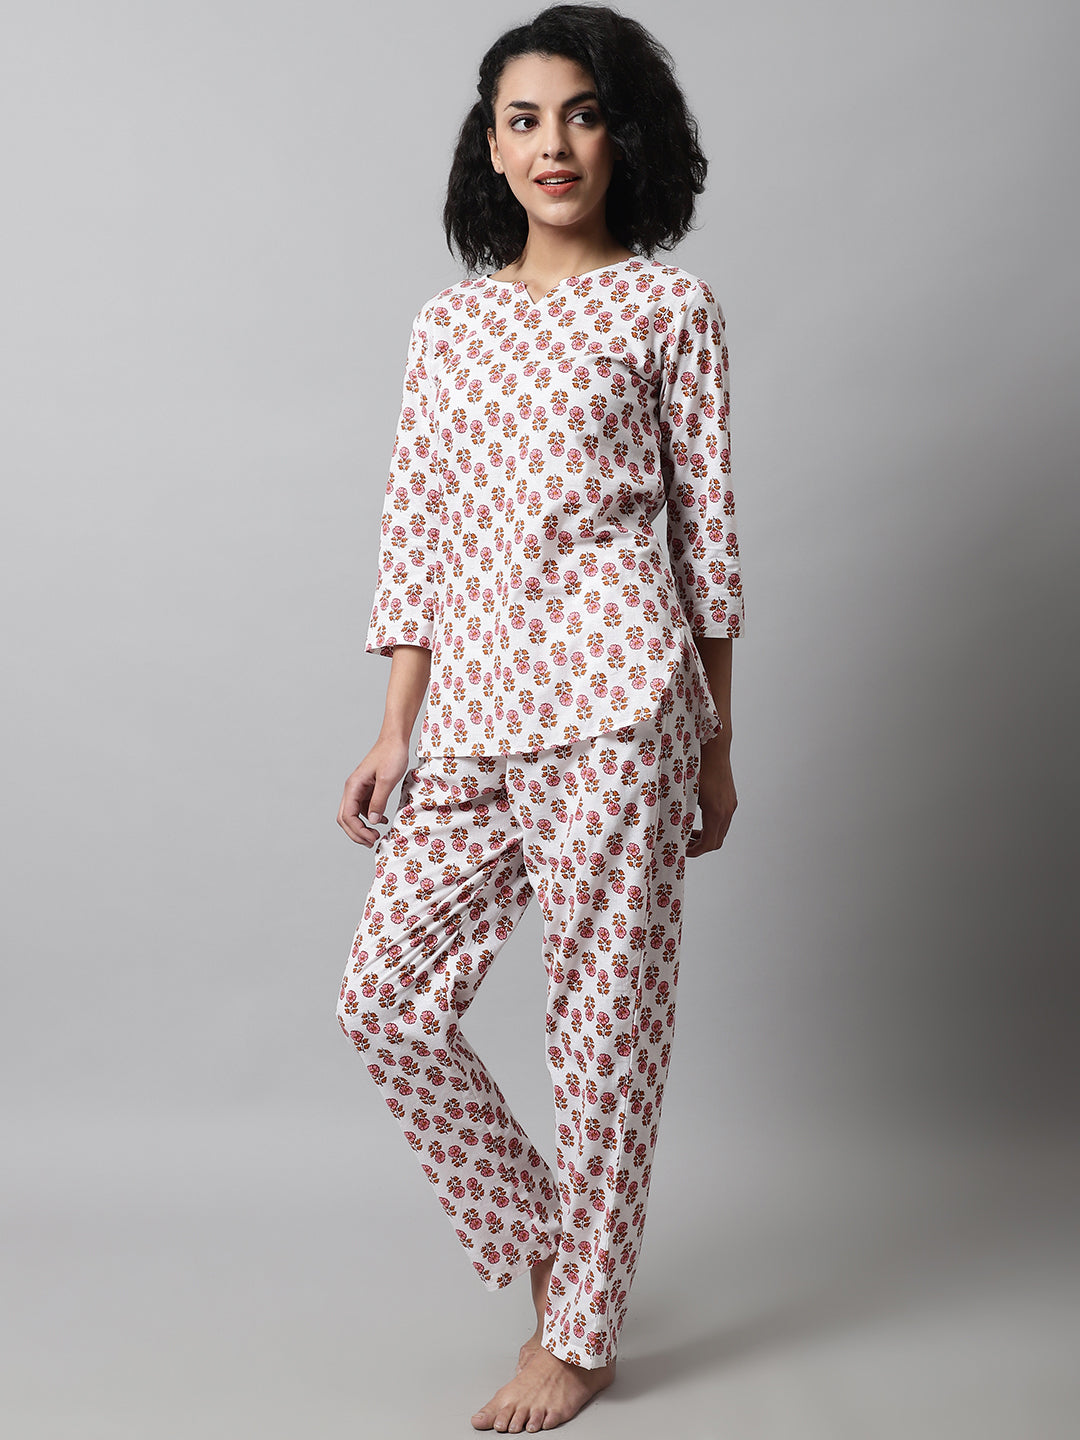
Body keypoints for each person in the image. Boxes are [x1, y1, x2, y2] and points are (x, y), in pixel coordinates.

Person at [335, 4, 745, 1430]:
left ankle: (577, 1336)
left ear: (625, 137)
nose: (553, 143)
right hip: (472, 716)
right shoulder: (447, 328)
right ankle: (559, 1248)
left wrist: (716, 747)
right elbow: (417, 534)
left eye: (581, 113)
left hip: (624, 708)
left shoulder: (669, 309)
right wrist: (396, 725)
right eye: (524, 119)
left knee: (603, 1026)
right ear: (493, 149)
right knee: (384, 1000)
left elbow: (709, 546)